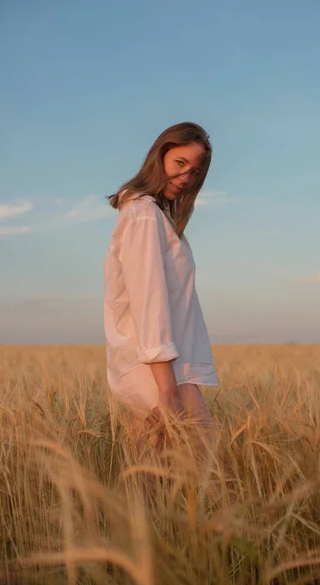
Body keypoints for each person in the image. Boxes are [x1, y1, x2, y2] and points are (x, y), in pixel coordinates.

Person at [104, 122, 218, 453]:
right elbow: (148, 299)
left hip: (167, 366)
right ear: (160, 156)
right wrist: (167, 390)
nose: (186, 177)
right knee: (210, 463)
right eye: (179, 164)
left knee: (157, 477)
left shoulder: (155, 216)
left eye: (195, 171)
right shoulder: (143, 215)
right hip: (161, 371)